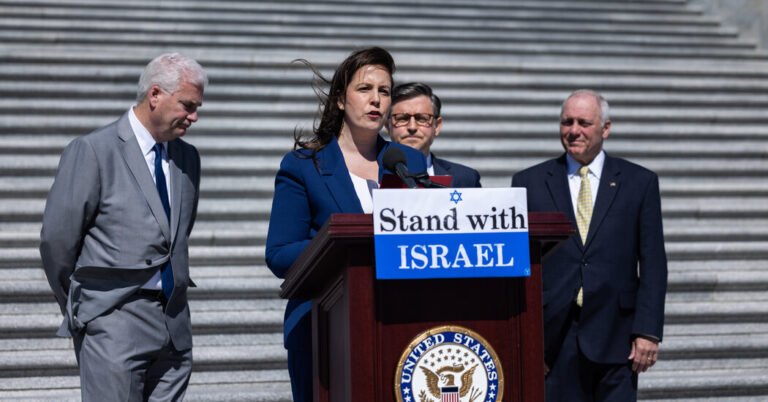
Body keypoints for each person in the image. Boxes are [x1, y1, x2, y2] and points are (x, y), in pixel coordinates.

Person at [40, 53, 206, 401]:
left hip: (174, 326)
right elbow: (57, 242)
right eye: (188, 106)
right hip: (112, 319)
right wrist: (85, 305)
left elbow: (177, 235)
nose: (194, 116)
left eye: (197, 107)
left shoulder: (188, 157)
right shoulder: (93, 151)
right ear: (155, 94)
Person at [265, 47, 426, 401]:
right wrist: (344, 243)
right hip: (323, 326)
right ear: (340, 99)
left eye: (384, 92)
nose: (376, 101)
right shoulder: (304, 165)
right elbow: (278, 254)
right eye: (365, 89)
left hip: (399, 324)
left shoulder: (409, 161)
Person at [511, 90, 667, 402]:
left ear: (605, 128)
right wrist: (528, 340)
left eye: (584, 122)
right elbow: (518, 267)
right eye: (567, 122)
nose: (573, 130)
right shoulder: (529, 182)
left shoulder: (639, 182)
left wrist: (647, 331)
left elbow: (653, 262)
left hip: (617, 335)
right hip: (553, 337)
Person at [387, 82, 481, 187]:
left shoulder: (466, 179)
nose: (412, 127)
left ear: (437, 126)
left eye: (422, 118)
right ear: (387, 126)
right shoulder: (371, 178)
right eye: (402, 118)